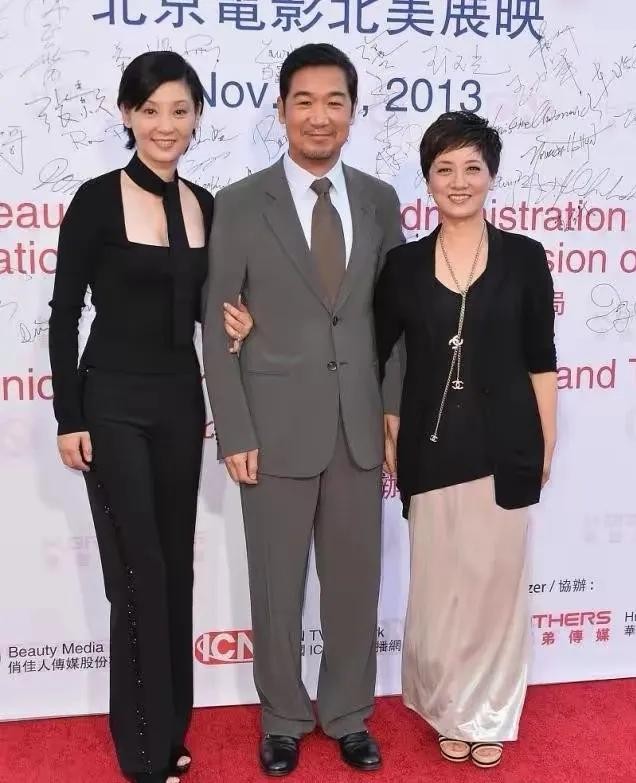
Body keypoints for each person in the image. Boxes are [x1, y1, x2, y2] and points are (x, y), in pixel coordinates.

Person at [48, 51, 253, 783]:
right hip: (110, 403)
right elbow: (64, 314)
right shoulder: (95, 200)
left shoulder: (206, 203)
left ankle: (170, 725)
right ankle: (141, 750)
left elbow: (206, 306)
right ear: (127, 115)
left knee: (172, 567)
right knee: (136, 571)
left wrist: (235, 323)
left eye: (180, 110)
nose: (166, 125)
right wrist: (69, 415)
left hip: (178, 401)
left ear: (196, 118)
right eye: (151, 109)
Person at [202, 43, 404, 777]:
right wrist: (234, 427)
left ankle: (348, 712)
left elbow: (395, 319)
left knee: (355, 584)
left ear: (353, 111)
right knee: (276, 585)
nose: (320, 116)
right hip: (272, 427)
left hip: (359, 426)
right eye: (305, 101)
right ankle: (283, 717)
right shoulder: (238, 202)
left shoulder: (379, 200)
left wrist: (393, 412)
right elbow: (217, 321)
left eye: (335, 102)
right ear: (282, 109)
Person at [374, 111, 557, 770]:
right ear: (428, 179)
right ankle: (450, 707)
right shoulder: (402, 266)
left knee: (496, 587)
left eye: (472, 168)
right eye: (444, 168)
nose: (459, 181)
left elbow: (541, 358)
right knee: (440, 588)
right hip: (430, 448)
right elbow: (373, 352)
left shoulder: (525, 258)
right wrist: (387, 419)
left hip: (507, 445)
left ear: (491, 176)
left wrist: (547, 440)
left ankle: (491, 714)